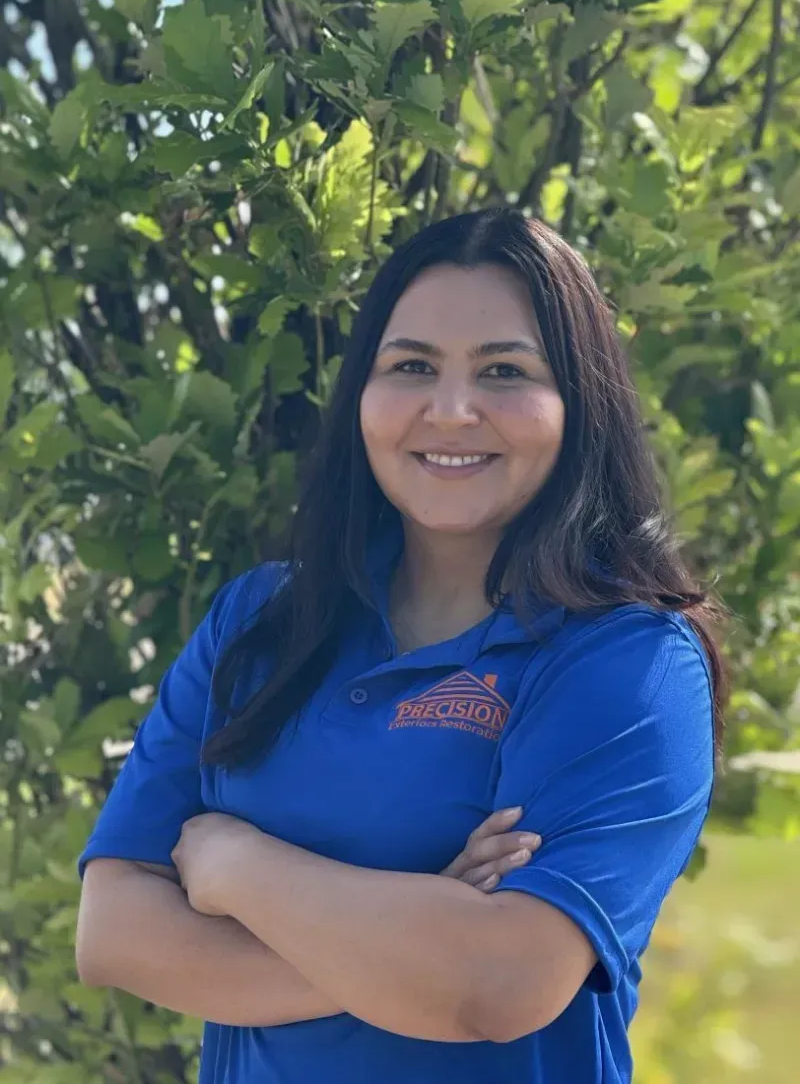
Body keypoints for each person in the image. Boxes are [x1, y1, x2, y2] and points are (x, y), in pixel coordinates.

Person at [76, 208, 728, 1084]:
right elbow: (115, 929)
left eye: (504, 371)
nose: (451, 410)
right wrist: (416, 934)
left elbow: (500, 982)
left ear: (579, 405)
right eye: (412, 365)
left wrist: (234, 865)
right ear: (362, 397)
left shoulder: (629, 661)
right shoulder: (261, 621)